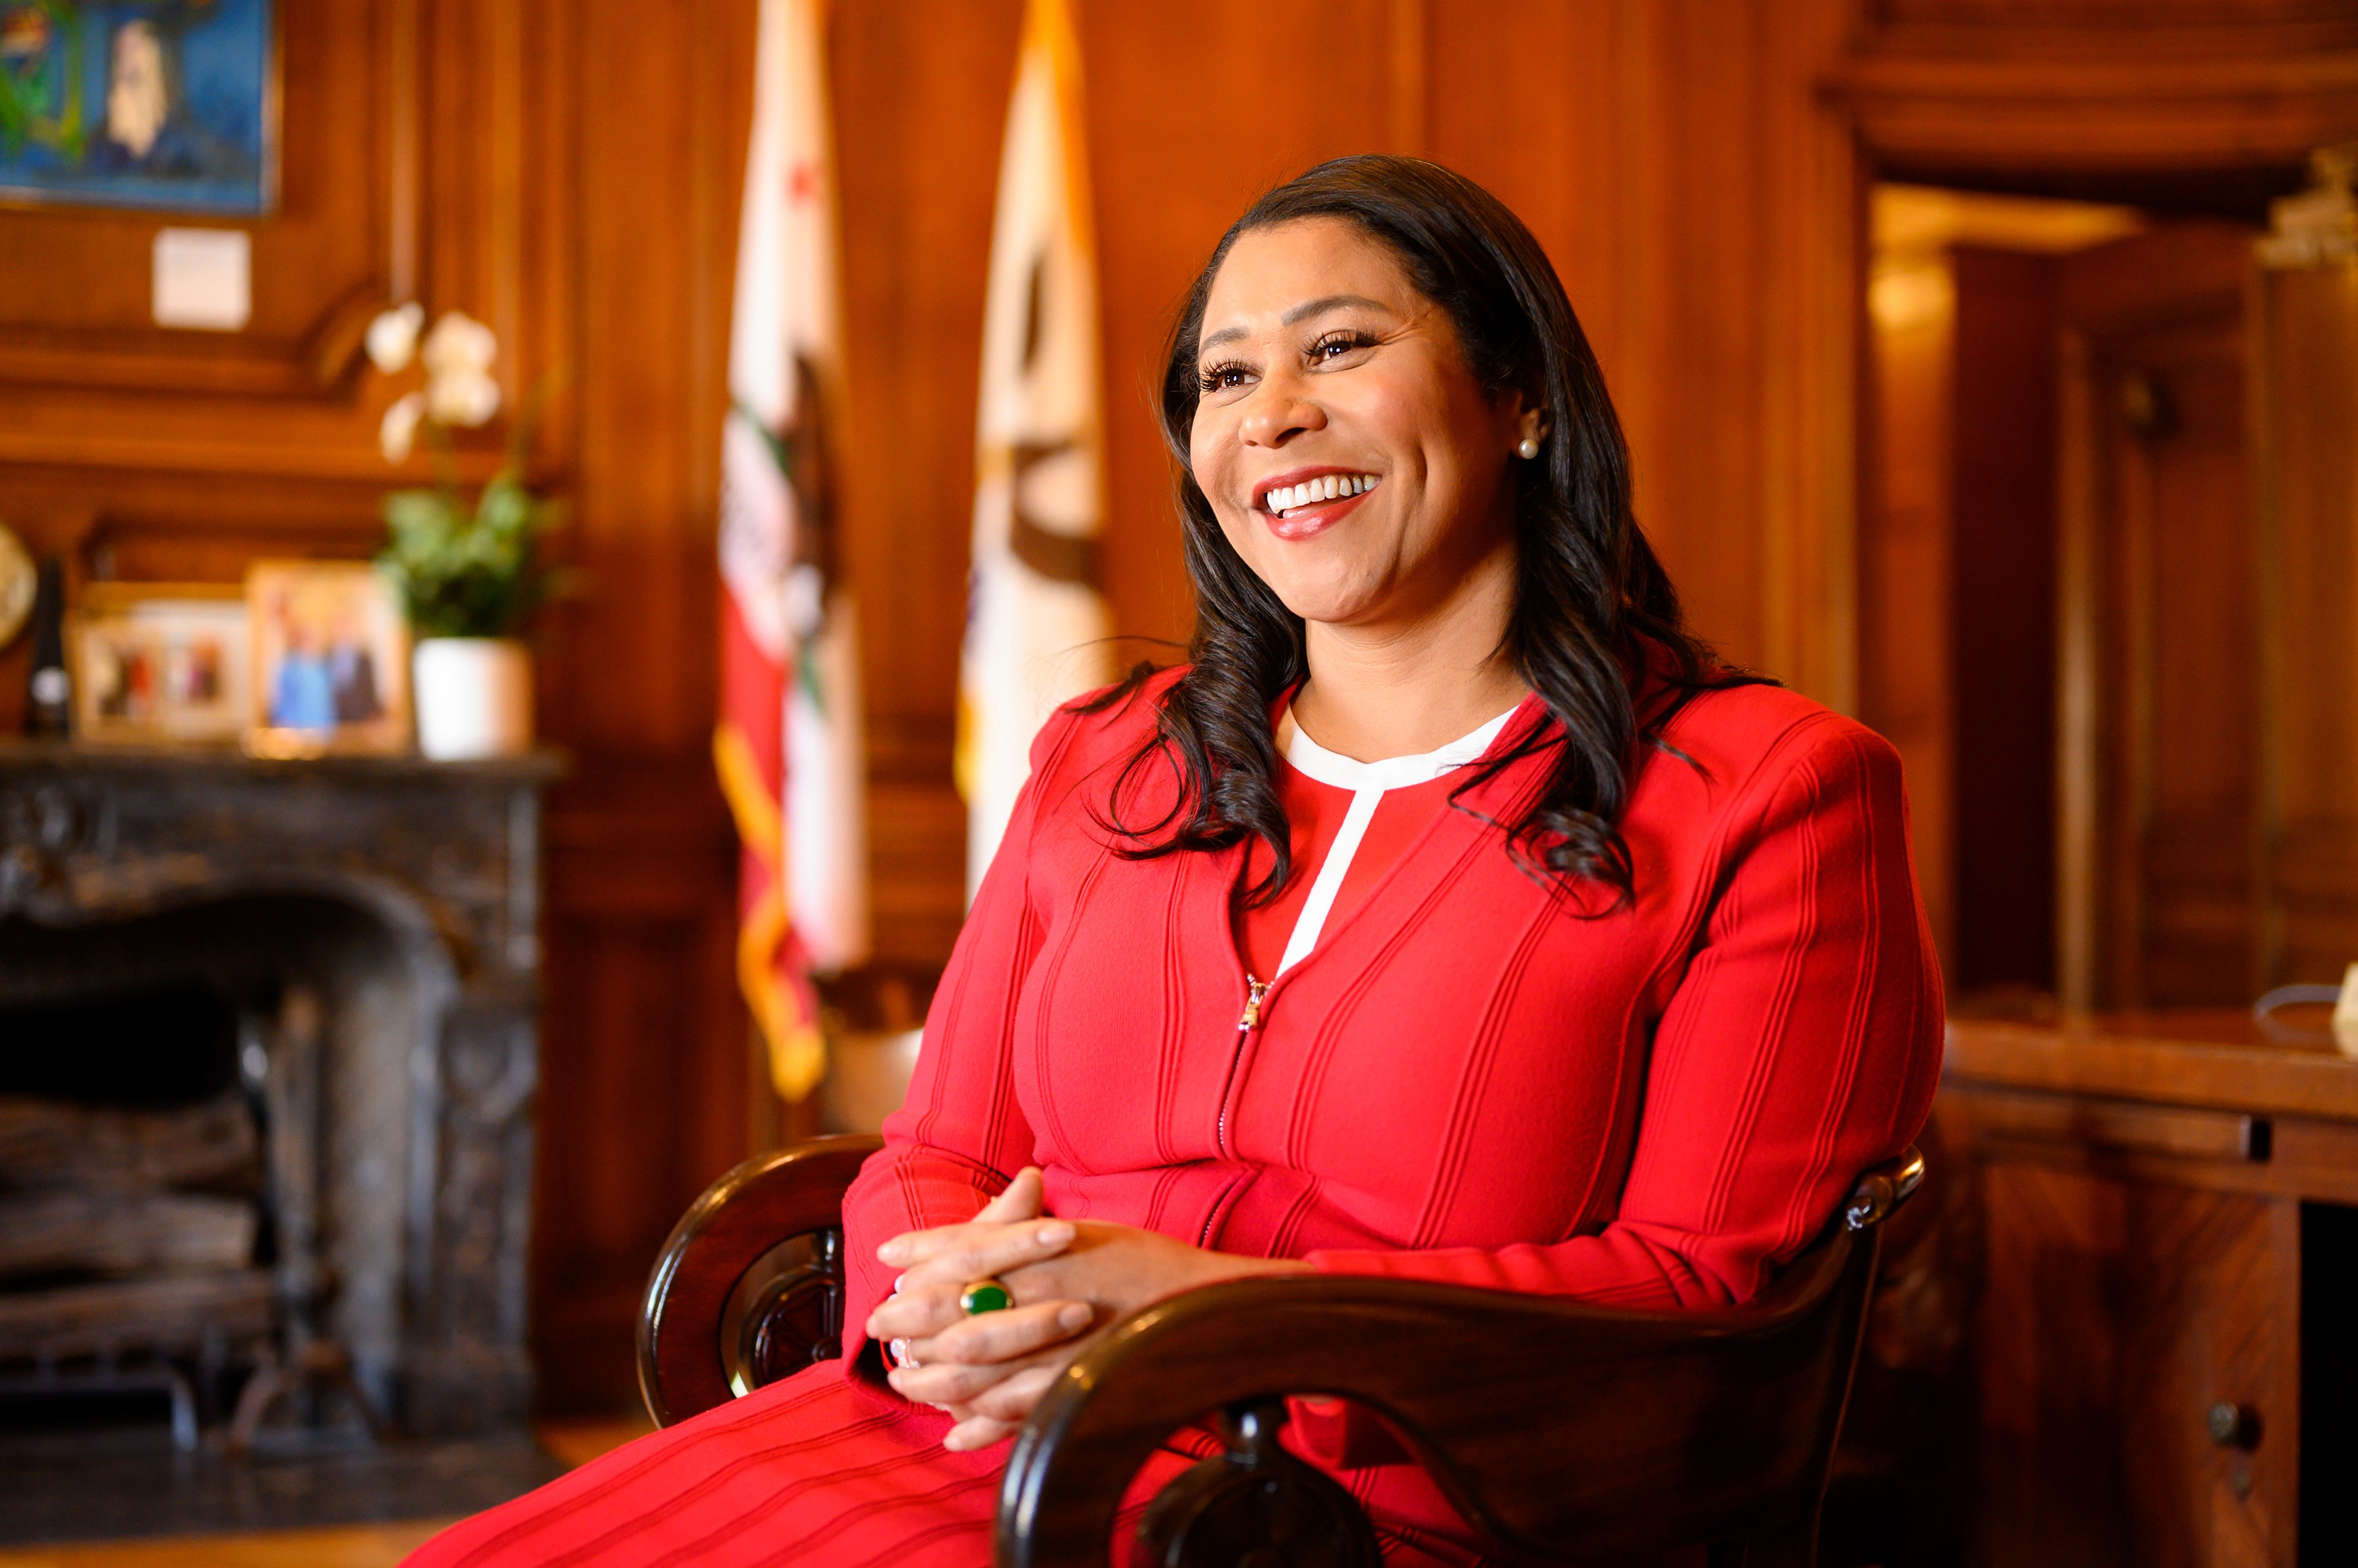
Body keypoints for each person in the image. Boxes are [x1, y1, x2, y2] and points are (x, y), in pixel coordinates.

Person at [405, 154, 1941, 1567]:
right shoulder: (1107, 759)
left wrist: (1218, 1321)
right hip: (977, 1435)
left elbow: (1710, 1304)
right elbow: (934, 1148)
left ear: (1520, 391)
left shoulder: (1773, 795)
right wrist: (943, 1303)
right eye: (1226, 373)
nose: (1269, 411)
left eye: (1339, 347)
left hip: (1376, 1516)